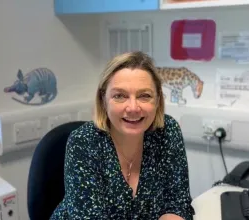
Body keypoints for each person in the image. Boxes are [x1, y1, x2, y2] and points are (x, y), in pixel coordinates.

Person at [50, 51, 195, 220]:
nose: (133, 107)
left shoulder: (168, 132)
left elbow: (178, 203)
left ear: (158, 101)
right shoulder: (83, 142)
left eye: (144, 96)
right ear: (104, 101)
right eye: (119, 96)